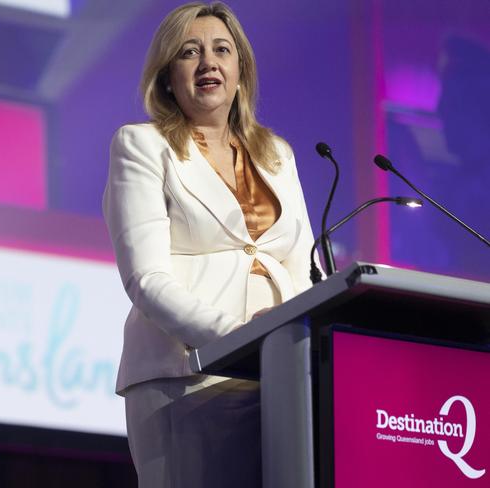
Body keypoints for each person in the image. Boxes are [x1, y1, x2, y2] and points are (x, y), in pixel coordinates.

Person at [103, 2, 317, 486]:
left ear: (240, 70)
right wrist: (238, 338)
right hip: (187, 375)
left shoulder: (277, 153)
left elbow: (301, 266)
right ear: (167, 77)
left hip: (278, 373)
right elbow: (146, 279)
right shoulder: (140, 145)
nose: (208, 63)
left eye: (222, 50)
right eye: (189, 52)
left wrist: (294, 342)